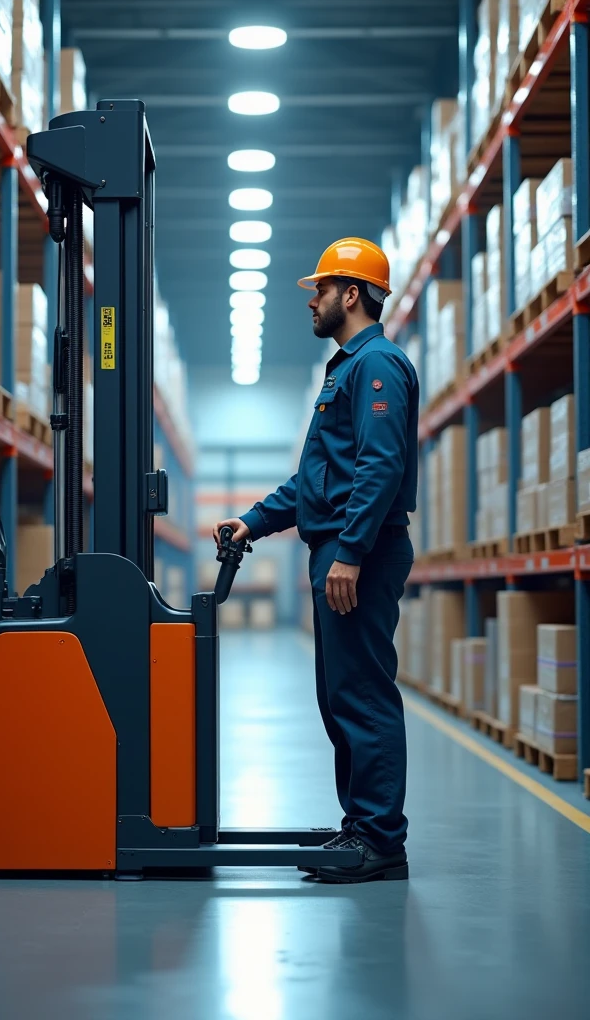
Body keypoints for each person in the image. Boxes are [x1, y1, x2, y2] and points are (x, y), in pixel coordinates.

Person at [213, 237, 419, 884]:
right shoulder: (345, 369)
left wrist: (351, 552)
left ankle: (382, 840)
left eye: (322, 289)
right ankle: (361, 825)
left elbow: (381, 466)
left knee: (362, 694)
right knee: (340, 697)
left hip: (360, 550)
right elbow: (314, 483)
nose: (313, 300)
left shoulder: (376, 365)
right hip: (335, 545)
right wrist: (252, 522)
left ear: (351, 294)